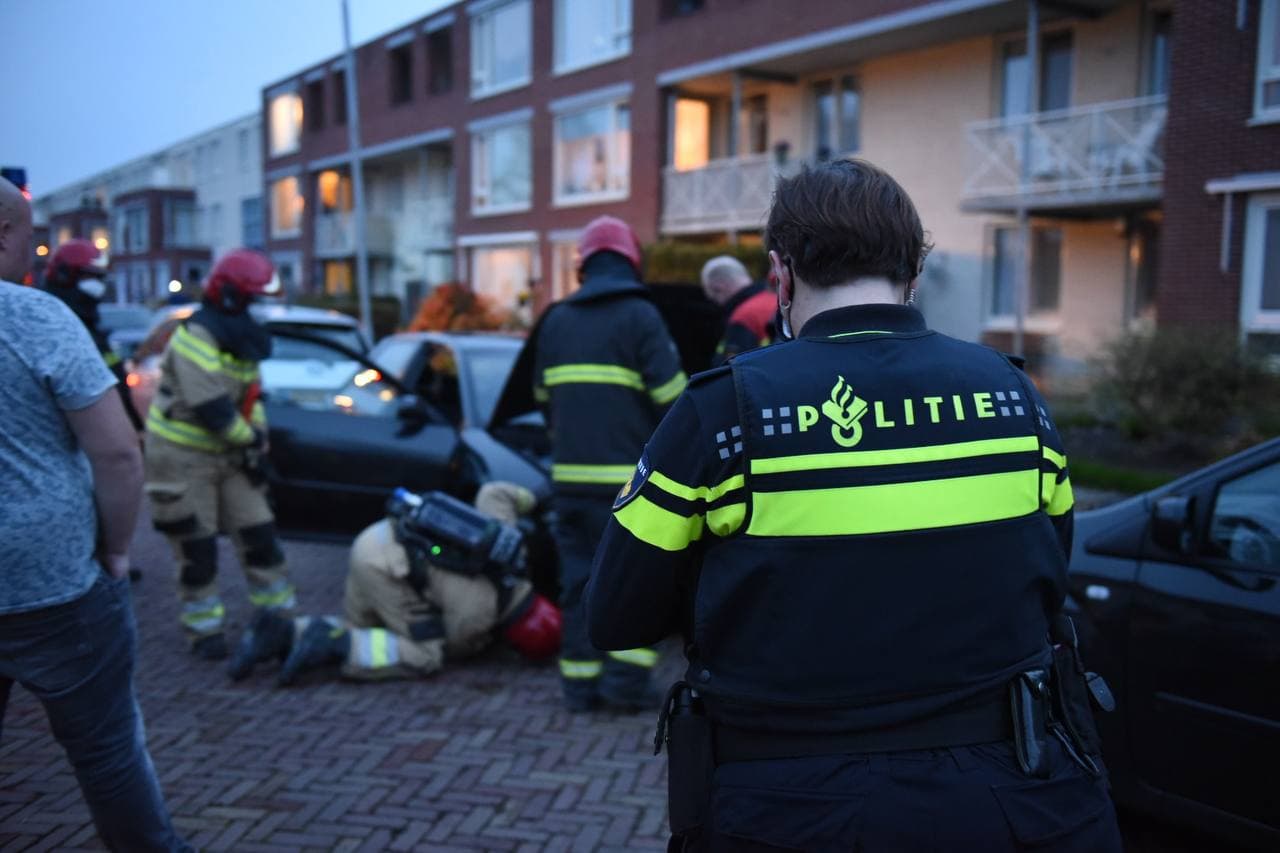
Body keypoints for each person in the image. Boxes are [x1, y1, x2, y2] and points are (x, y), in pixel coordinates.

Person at [587, 160, 1122, 851]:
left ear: (780, 274)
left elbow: (615, 614)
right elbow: (1044, 574)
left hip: (790, 804)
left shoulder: (723, 413)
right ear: (914, 274)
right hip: (1016, 800)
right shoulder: (1015, 399)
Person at [0, 177, 191, 852]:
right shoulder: (36, 317)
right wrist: (114, 550)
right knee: (107, 752)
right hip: (53, 580)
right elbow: (116, 454)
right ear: (7, 234)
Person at [530, 215, 687, 712]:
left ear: (584, 266)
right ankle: (622, 689)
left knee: (576, 585)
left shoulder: (555, 320)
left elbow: (540, 397)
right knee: (634, 586)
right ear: (630, 262)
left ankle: (579, 687)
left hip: (569, 485)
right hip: (627, 488)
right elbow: (675, 402)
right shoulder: (641, 317)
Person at [227, 482, 561, 684]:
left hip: (378, 536)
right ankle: (335, 647)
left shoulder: (513, 548)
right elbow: (456, 645)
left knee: (364, 631)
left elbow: (494, 493)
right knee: (424, 653)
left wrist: (536, 497)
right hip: (386, 569)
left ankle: (282, 632)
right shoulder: (480, 616)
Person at [143, 248, 297, 660]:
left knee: (260, 535)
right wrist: (250, 440)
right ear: (232, 296)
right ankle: (204, 631)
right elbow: (211, 407)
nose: (264, 310)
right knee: (197, 549)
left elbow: (251, 397)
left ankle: (279, 622)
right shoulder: (196, 335)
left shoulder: (241, 336)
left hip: (229, 454)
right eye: (258, 299)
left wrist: (258, 434)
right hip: (181, 457)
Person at [43, 238, 145, 431]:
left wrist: (134, 428)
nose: (98, 285)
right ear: (65, 275)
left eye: (100, 278)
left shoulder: (89, 323)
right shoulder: (56, 326)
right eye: (90, 277)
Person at [699, 255, 774, 365]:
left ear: (719, 288)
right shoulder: (777, 300)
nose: (717, 304)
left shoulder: (742, 317)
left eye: (713, 298)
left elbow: (733, 369)